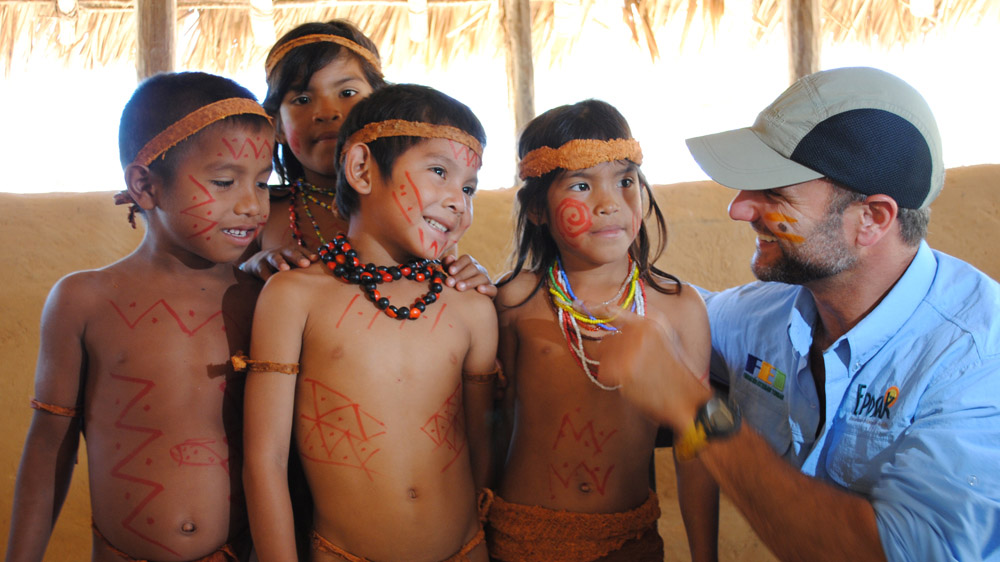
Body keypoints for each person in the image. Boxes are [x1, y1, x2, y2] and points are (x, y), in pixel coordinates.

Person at [598, 66, 1000, 562]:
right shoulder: (766, 316)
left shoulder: (977, 361)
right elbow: (667, 316)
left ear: (872, 219)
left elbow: (893, 553)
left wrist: (693, 408)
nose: (739, 209)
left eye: (775, 193)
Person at [5, 72, 274, 561]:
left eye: (262, 182)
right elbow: (48, 452)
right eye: (224, 182)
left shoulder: (266, 299)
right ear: (145, 185)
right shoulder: (84, 301)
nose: (252, 205)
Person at [242, 83, 498, 562]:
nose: (458, 201)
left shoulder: (472, 308)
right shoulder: (294, 297)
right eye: (439, 172)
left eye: (468, 188)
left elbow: (483, 451)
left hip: (467, 550)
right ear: (361, 169)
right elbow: (265, 460)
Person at [487, 99, 717, 561]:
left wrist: (704, 557)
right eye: (581, 185)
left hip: (630, 543)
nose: (610, 203)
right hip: (522, 539)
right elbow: (491, 422)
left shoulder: (678, 306)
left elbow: (695, 448)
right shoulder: (515, 299)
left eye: (625, 181)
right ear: (537, 209)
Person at [242, 19, 492, 296]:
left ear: (382, 105)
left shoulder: (426, 211)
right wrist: (249, 268)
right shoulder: (261, 210)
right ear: (276, 125)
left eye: (347, 93)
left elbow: (444, 284)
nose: (327, 112)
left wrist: (468, 275)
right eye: (302, 99)